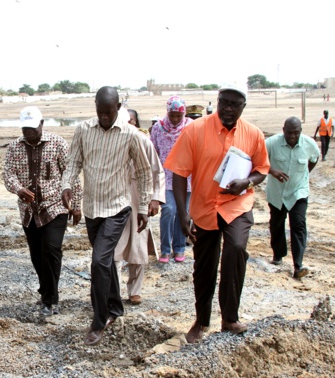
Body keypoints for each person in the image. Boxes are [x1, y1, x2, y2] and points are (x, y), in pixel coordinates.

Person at [164, 83, 270, 343]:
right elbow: (179, 172)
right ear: (217, 101)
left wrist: (247, 183)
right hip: (203, 207)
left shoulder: (254, 134)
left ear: (244, 107)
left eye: (235, 105)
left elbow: (262, 169)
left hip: (237, 206)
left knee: (235, 248)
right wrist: (182, 212)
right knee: (204, 266)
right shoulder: (196, 130)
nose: (229, 109)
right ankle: (201, 321)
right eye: (224, 103)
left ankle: (229, 318)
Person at [61, 86, 153, 346]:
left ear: (118, 108)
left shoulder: (130, 134)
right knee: (106, 262)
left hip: (117, 207)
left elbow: (145, 173)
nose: (103, 117)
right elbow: (73, 163)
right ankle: (115, 307)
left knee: (99, 261)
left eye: (109, 112)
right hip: (92, 208)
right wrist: (66, 186)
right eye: (100, 112)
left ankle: (99, 320)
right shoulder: (83, 130)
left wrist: (144, 207)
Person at [3, 106, 82, 316]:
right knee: (37, 255)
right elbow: (8, 175)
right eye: (25, 128)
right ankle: (46, 289)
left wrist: (76, 206)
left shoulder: (57, 144)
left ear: (42, 123)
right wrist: (19, 189)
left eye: (33, 127)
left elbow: (70, 174)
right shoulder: (13, 148)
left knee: (51, 249)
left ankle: (50, 298)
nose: (29, 131)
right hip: (29, 211)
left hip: (55, 206)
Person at [114, 108, 165, 305]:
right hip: (115, 199)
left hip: (138, 198)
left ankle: (134, 291)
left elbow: (157, 171)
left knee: (138, 245)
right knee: (114, 247)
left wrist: (155, 199)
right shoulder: (111, 141)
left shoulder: (143, 140)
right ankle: (114, 291)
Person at [266, 117, 320, 279]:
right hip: (277, 192)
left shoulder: (309, 144)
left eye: (296, 133)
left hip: (298, 191)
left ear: (300, 132)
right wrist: (273, 171)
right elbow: (258, 160)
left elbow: (314, 159)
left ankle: (298, 264)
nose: (292, 136)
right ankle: (278, 254)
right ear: (283, 130)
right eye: (289, 132)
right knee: (277, 224)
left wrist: (303, 175)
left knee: (298, 224)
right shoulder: (271, 143)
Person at [150, 96, 193, 263]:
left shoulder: (191, 127)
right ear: (167, 112)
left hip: (186, 178)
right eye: (172, 115)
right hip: (165, 177)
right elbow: (154, 152)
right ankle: (165, 249)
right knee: (168, 211)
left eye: (178, 116)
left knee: (184, 212)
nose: (175, 119)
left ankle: (180, 247)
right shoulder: (158, 128)